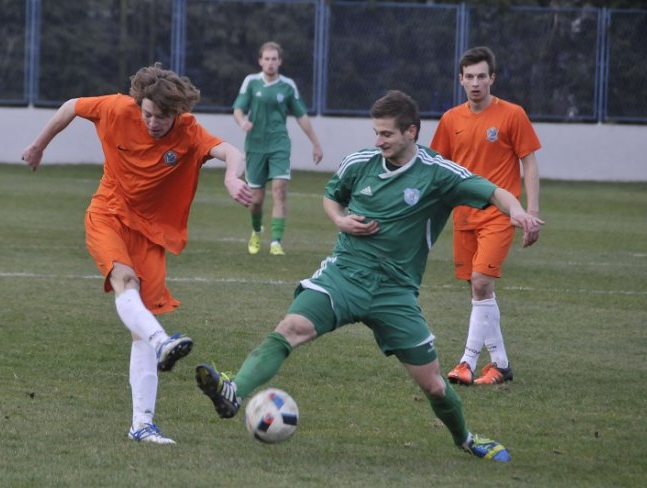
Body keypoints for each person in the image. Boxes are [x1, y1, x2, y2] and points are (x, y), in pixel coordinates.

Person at [195, 90, 544, 461]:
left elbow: (493, 191)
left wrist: (518, 212)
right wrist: (339, 219)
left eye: (386, 135)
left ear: (411, 132)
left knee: (435, 385)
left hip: (395, 292)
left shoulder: (439, 173)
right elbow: (331, 196)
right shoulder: (360, 163)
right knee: (289, 329)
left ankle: (466, 439)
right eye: (375, 133)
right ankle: (233, 391)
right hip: (344, 274)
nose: (378, 142)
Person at [21, 63, 252, 444]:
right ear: (138, 104)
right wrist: (39, 145)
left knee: (138, 330)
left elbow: (230, 150)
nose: (153, 122)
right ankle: (163, 343)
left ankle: (141, 424)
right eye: (147, 114)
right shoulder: (115, 108)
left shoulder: (188, 130)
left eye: (161, 117)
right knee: (125, 281)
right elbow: (70, 106)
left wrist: (231, 175)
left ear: (176, 113)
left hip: (149, 232)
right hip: (107, 214)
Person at [430, 46, 542, 386]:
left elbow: (530, 162)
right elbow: (437, 168)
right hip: (464, 217)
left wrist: (531, 212)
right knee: (479, 291)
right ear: (460, 80)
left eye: (482, 76)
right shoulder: (451, 120)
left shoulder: (512, 115)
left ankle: (466, 362)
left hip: (499, 215)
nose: (476, 83)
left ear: (492, 78)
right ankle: (502, 365)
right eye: (469, 77)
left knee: (480, 283)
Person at [233, 41, 324, 256]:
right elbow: (238, 108)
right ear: (260, 61)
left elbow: (301, 115)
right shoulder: (251, 82)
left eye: (274, 59)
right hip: (255, 146)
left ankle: (276, 242)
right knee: (255, 201)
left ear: (280, 61)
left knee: (280, 190)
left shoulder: (288, 86)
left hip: (279, 145)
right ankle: (256, 230)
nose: (270, 62)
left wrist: (316, 143)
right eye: (267, 58)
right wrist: (242, 122)